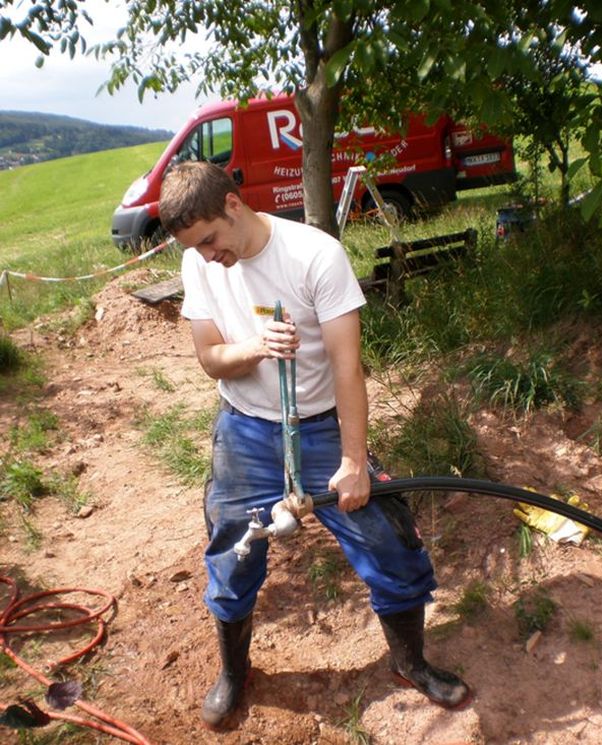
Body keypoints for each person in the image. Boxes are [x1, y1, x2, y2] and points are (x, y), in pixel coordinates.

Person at [158, 161, 471, 729]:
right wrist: (254, 347)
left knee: (389, 542)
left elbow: (349, 369)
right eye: (194, 248)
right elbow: (209, 359)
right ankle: (235, 673)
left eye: (210, 240)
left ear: (233, 204)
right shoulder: (196, 262)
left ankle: (411, 662)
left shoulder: (315, 255)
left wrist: (355, 461)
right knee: (232, 551)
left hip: (324, 427)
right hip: (246, 428)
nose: (207, 256)